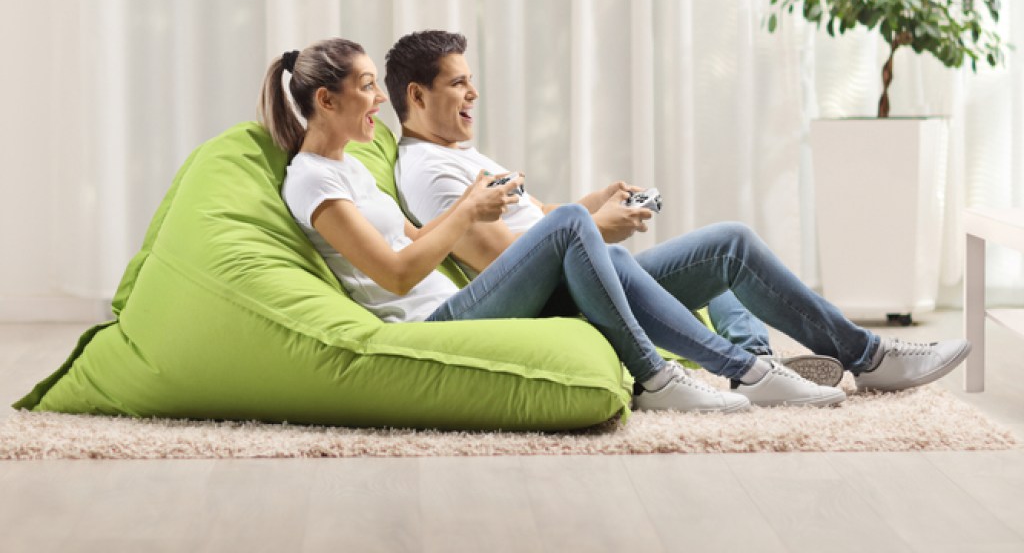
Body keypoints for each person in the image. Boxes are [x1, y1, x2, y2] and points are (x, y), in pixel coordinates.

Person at [258, 37, 857, 416]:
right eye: (365, 88)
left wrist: (473, 203)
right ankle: (691, 372)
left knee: (607, 242)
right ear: (326, 101)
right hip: (431, 327)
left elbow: (410, 240)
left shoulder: (349, 169)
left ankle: (742, 367)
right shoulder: (313, 180)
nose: (377, 101)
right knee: (580, 226)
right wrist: (470, 211)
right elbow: (392, 275)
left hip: (455, 302)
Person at [384, 29, 972, 401]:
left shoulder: (461, 154)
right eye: (459, 84)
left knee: (729, 245)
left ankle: (821, 357)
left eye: (471, 81)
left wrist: (597, 202)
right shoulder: (431, 171)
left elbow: (540, 215)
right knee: (660, 250)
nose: (473, 95)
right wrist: (593, 231)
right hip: (562, 290)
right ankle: (820, 361)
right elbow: (506, 267)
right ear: (416, 95)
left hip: (580, 265)